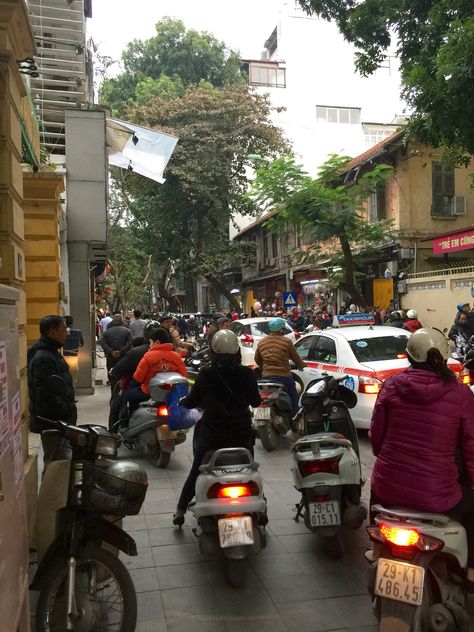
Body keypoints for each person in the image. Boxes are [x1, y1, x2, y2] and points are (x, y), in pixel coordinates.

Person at [369, 327, 474, 586]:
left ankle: (375, 549)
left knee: (375, 489)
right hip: (439, 495)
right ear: (444, 356)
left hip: (388, 489)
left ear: (409, 357)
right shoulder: (460, 393)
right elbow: (471, 446)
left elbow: (376, 439)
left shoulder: (391, 385)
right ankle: (471, 569)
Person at [173, 330, 261, 525]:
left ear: (213, 351)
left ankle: (180, 511)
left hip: (213, 435)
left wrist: (183, 402)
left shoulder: (207, 374)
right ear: (237, 351)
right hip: (241, 434)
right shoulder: (246, 373)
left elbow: (192, 400)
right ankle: (261, 508)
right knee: (251, 470)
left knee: (197, 469)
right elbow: (256, 401)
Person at [27, 315, 77, 464]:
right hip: (54, 422)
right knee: (55, 464)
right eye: (63, 330)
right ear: (51, 332)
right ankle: (53, 488)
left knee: (60, 462)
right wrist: (64, 410)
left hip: (59, 421)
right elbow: (44, 393)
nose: (67, 333)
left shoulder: (52, 352)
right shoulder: (43, 357)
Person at [119, 328, 188, 415]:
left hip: (148, 393)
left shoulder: (148, 356)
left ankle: (125, 422)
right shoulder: (176, 356)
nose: (150, 346)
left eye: (151, 342)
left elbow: (138, 378)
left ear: (157, 342)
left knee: (127, 395)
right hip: (170, 394)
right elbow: (183, 377)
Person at [254, 317, 306, 412]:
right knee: (295, 399)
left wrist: (264, 368)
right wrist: (303, 366)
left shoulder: (262, 342)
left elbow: (257, 359)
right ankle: (295, 419)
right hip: (284, 377)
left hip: (266, 378)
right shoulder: (286, 342)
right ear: (281, 329)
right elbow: (296, 359)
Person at [101, 313, 132, 395]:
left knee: (113, 377)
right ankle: (123, 394)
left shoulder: (106, 332)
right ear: (122, 321)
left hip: (111, 358)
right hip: (124, 357)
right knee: (124, 377)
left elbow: (103, 343)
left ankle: (114, 395)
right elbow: (130, 343)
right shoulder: (127, 331)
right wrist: (121, 351)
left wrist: (111, 352)